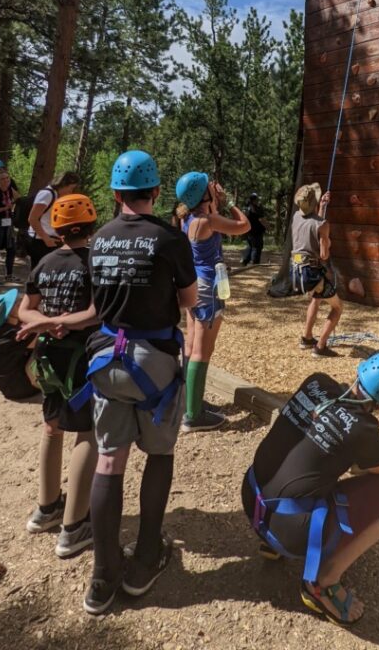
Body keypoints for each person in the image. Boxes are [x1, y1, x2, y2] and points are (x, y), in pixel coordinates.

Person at [80, 150, 197, 616]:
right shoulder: (169, 238)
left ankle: (103, 574)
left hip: (106, 360)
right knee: (160, 453)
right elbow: (189, 299)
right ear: (155, 192)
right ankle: (146, 557)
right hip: (153, 364)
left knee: (110, 461)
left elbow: (99, 302)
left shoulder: (100, 238)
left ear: (114, 193)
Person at [241, 352, 379, 626]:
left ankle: (270, 545)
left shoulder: (316, 383)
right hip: (289, 531)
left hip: (253, 499)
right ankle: (323, 583)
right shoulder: (364, 429)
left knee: (306, 465)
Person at [16, 194, 100, 559]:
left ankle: (46, 507)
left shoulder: (45, 262)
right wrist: (63, 323)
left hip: (49, 357)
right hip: (82, 359)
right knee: (87, 431)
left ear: (58, 230)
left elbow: (24, 310)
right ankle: (73, 527)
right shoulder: (95, 263)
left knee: (52, 426)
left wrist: (48, 323)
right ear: (92, 225)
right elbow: (98, 312)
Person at [174, 172, 250, 432]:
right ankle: (193, 416)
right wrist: (228, 202)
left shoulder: (188, 218)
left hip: (194, 284)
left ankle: (189, 401)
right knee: (202, 351)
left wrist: (213, 200)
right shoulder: (209, 220)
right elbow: (244, 225)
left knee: (190, 345)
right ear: (203, 194)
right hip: (209, 288)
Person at [291, 184, 343, 357]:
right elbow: (324, 256)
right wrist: (327, 242)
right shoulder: (323, 225)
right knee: (337, 307)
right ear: (313, 204)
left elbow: (313, 224)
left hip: (297, 271)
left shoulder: (296, 217)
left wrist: (321, 207)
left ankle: (306, 338)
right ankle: (320, 347)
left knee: (316, 298)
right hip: (312, 272)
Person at [27, 171, 81, 268]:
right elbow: (32, 218)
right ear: (63, 184)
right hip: (40, 241)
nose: (71, 192)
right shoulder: (47, 194)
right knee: (39, 272)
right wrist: (45, 238)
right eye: (71, 188)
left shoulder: (57, 196)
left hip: (50, 240)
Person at [241, 192, 267, 266]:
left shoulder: (246, 208)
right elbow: (262, 219)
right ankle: (254, 262)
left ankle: (245, 260)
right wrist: (267, 226)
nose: (258, 201)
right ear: (254, 200)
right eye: (257, 199)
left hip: (249, 230)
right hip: (256, 231)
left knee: (250, 246)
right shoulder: (256, 208)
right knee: (257, 247)